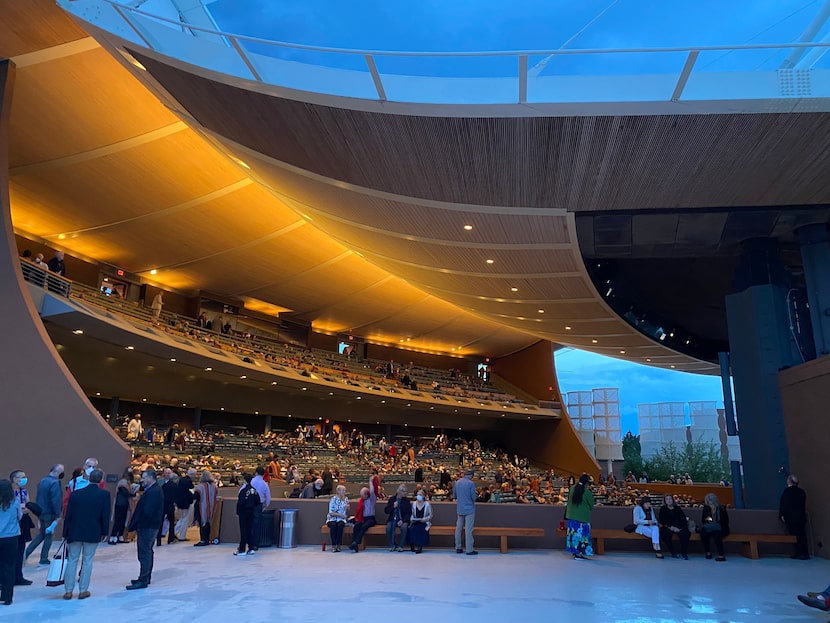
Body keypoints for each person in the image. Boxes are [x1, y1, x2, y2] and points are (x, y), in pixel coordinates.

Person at [62, 469, 111, 600]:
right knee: (87, 561)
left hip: (74, 530)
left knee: (72, 560)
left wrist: (65, 532)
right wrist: (105, 531)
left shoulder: (76, 494)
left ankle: (68, 590)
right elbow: (105, 515)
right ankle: (83, 590)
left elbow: (69, 515)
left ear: (88, 478)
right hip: (93, 531)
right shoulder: (104, 495)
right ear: (101, 480)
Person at [126, 469, 163, 590]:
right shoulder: (153, 490)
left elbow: (148, 512)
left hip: (147, 527)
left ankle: (143, 579)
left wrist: (139, 523)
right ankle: (145, 577)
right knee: (146, 552)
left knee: (144, 553)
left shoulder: (153, 492)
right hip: (150, 526)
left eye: (143, 477)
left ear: (151, 478)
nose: (141, 480)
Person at [24, 463, 63, 566]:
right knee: (48, 536)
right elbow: (55, 499)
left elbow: (39, 496)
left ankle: (26, 553)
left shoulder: (42, 481)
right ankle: (44, 558)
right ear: (56, 472)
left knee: (41, 534)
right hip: (50, 512)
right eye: (61, 472)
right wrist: (58, 513)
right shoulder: (55, 483)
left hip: (41, 511)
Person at [9, 471, 32, 587]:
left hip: (23, 523)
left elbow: (27, 504)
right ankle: (9, 577)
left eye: (25, 476)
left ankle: (19, 576)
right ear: (14, 479)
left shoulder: (24, 491)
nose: (24, 479)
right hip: (11, 524)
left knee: (20, 550)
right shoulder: (8, 493)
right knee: (10, 553)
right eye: (21, 477)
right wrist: (20, 508)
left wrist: (25, 508)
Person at [0, 479, 22, 606]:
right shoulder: (15, 501)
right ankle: (7, 597)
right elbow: (19, 516)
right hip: (11, 537)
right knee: (9, 566)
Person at [564, 473, 594, 560]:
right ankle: (579, 554)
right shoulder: (587, 492)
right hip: (582, 518)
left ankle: (575, 553)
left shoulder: (572, 488)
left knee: (573, 536)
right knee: (582, 536)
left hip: (571, 517)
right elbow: (591, 504)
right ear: (587, 483)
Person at [779, 474, 809, 560]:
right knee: (802, 534)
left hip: (791, 517)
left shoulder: (787, 492)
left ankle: (798, 552)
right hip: (801, 516)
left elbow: (783, 504)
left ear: (789, 481)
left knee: (794, 535)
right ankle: (805, 553)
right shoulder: (802, 492)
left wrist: (782, 515)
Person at [234, 474, 260, 556]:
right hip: (251, 512)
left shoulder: (243, 491)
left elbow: (240, 503)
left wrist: (238, 512)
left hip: (244, 512)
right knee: (250, 530)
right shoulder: (254, 490)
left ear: (245, 480)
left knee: (243, 530)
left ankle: (242, 549)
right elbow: (258, 501)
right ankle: (251, 547)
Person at [658, 494, 690, 560]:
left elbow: (683, 520)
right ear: (665, 501)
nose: (669, 501)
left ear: (672, 500)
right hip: (668, 527)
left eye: (670, 499)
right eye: (667, 499)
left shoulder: (678, 509)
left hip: (679, 527)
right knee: (665, 534)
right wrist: (671, 527)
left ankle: (684, 553)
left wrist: (679, 528)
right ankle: (672, 552)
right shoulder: (663, 509)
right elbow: (662, 521)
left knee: (685, 533)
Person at [454, 468, 477, 555]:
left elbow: (455, 496)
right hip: (469, 509)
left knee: (458, 529)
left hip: (460, 508)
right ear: (471, 475)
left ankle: (458, 547)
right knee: (469, 530)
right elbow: (473, 497)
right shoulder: (471, 483)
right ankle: (469, 549)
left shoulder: (457, 482)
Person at [700, 492, 730, 561]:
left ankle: (721, 555)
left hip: (721, 527)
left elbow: (725, 521)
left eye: (712, 503)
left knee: (716, 534)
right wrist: (710, 520)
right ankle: (708, 552)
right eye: (709, 503)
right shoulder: (706, 509)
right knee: (703, 534)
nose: (711, 505)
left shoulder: (721, 509)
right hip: (710, 526)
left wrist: (716, 522)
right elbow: (703, 520)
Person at [110, 469, 137, 544]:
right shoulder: (123, 482)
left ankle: (120, 536)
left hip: (123, 504)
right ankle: (113, 537)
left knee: (122, 521)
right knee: (118, 521)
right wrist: (133, 494)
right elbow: (124, 493)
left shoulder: (125, 482)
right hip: (120, 504)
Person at [348, 484, 377, 552]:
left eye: (363, 495)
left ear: (366, 494)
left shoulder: (371, 500)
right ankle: (354, 543)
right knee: (357, 526)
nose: (361, 497)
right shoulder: (362, 501)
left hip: (370, 519)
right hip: (363, 518)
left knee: (364, 527)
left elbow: (373, 492)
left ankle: (356, 542)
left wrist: (371, 482)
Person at [249, 466, 270, 553]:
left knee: (248, 524)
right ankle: (255, 544)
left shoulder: (251, 481)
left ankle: (247, 542)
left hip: (249, 504)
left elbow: (242, 491)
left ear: (256, 472)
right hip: (258, 505)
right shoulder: (264, 484)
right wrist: (265, 506)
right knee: (257, 525)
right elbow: (268, 497)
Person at [384, 485, 411, 552]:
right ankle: (392, 544)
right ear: (399, 492)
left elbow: (409, 514)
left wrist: (403, 520)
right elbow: (386, 511)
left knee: (404, 527)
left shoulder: (407, 501)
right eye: (404, 491)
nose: (405, 493)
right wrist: (393, 506)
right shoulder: (392, 499)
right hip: (393, 519)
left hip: (402, 519)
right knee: (388, 528)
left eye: (406, 491)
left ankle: (401, 546)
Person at [193, 471, 217, 547]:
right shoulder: (214, 486)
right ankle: (207, 538)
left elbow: (196, 496)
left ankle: (203, 540)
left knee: (202, 522)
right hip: (211, 506)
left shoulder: (201, 486)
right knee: (208, 523)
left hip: (202, 506)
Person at [174, 468, 196, 541]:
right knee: (185, 519)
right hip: (186, 502)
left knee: (183, 518)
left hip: (180, 501)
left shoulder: (181, 479)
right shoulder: (189, 481)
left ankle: (174, 532)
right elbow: (191, 492)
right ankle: (181, 535)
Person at [157, 468, 178, 546]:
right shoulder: (160, 483)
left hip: (168, 505)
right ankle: (160, 539)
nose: (167, 474)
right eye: (166, 472)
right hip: (164, 505)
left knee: (171, 522)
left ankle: (170, 538)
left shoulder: (172, 484)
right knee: (162, 522)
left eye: (169, 473)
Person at [326, 485, 349, 552]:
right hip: (332, 518)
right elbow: (331, 512)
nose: (344, 492)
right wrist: (341, 515)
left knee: (340, 525)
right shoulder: (333, 499)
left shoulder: (346, 499)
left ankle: (338, 545)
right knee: (333, 525)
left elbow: (346, 509)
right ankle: (334, 545)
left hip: (341, 519)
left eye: (345, 490)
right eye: (343, 490)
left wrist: (347, 507)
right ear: (338, 491)